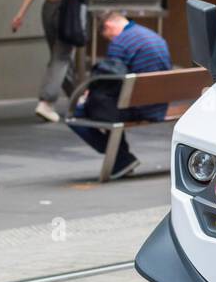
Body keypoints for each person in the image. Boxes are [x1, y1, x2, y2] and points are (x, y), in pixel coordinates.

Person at [70, 12, 172, 179]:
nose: (109, 40)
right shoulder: (152, 35)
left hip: (140, 107)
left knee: (77, 115)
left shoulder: (120, 43)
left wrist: (88, 94)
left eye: (107, 36)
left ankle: (122, 159)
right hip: (159, 105)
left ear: (109, 26)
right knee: (112, 107)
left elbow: (110, 81)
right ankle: (121, 161)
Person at [11, 0, 89, 122]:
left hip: (48, 9)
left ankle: (81, 98)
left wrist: (19, 15)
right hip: (67, 10)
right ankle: (46, 102)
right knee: (62, 57)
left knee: (60, 56)